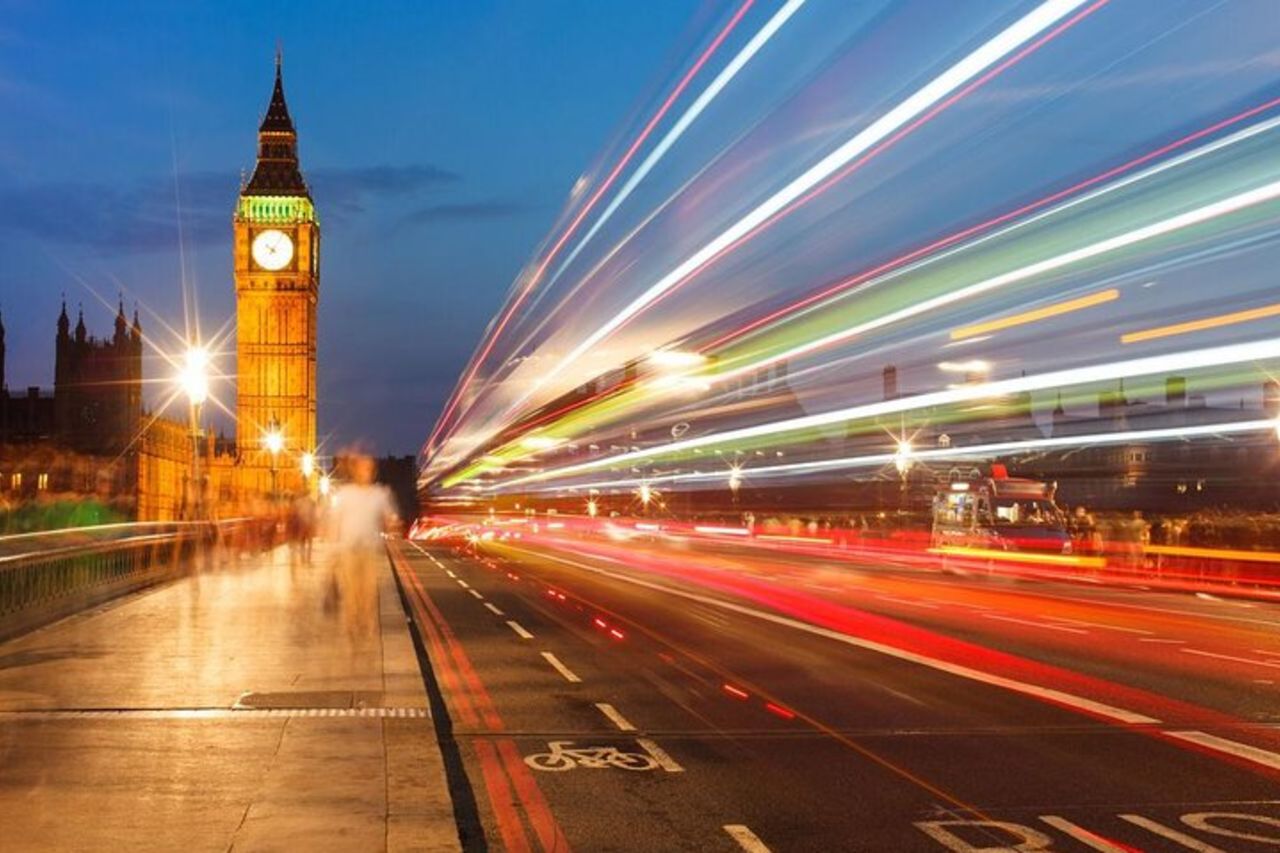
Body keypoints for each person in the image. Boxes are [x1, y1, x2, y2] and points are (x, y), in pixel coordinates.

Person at [330, 453, 398, 639]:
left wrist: (392, 523)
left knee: (368, 591)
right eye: (361, 468)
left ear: (373, 471)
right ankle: (352, 625)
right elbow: (335, 521)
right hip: (348, 549)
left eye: (368, 468)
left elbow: (389, 516)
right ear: (354, 471)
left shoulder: (379, 494)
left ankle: (367, 625)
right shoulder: (345, 494)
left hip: (369, 549)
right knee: (351, 591)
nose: (365, 472)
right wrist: (333, 549)